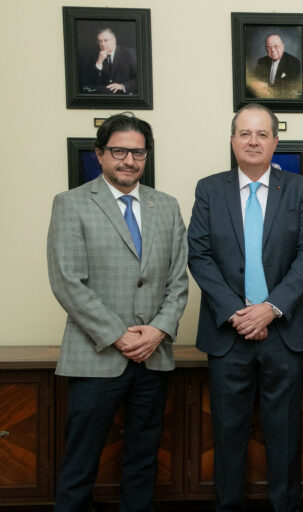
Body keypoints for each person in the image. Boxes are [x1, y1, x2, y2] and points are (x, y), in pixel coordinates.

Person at [47, 113, 189, 511]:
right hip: (96, 356)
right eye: (119, 151)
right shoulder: (71, 203)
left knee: (143, 460)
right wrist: (119, 335)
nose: (129, 160)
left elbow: (178, 281)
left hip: (153, 356)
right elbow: (67, 282)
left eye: (138, 152)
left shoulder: (167, 206)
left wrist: (158, 331)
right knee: (80, 464)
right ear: (100, 154)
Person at [187, 103, 303, 512]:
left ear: (275, 142)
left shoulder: (297, 188)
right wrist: (237, 312)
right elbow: (199, 255)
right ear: (232, 141)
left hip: (285, 331)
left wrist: (271, 308)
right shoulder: (209, 189)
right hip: (228, 334)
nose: (253, 141)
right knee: (228, 433)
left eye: (262, 134)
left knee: (283, 433)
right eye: (245, 133)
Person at [247, 33, 302, 99]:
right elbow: (257, 84)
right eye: (269, 47)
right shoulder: (261, 62)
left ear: (282, 47)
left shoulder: (294, 62)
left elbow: (291, 89)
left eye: (276, 46)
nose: (272, 50)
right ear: (265, 49)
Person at [85, 28, 138, 94]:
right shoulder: (95, 56)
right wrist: (99, 62)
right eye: (100, 41)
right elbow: (90, 82)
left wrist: (122, 86)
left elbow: (140, 78)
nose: (103, 44)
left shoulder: (129, 53)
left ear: (114, 40)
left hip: (124, 95)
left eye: (106, 40)